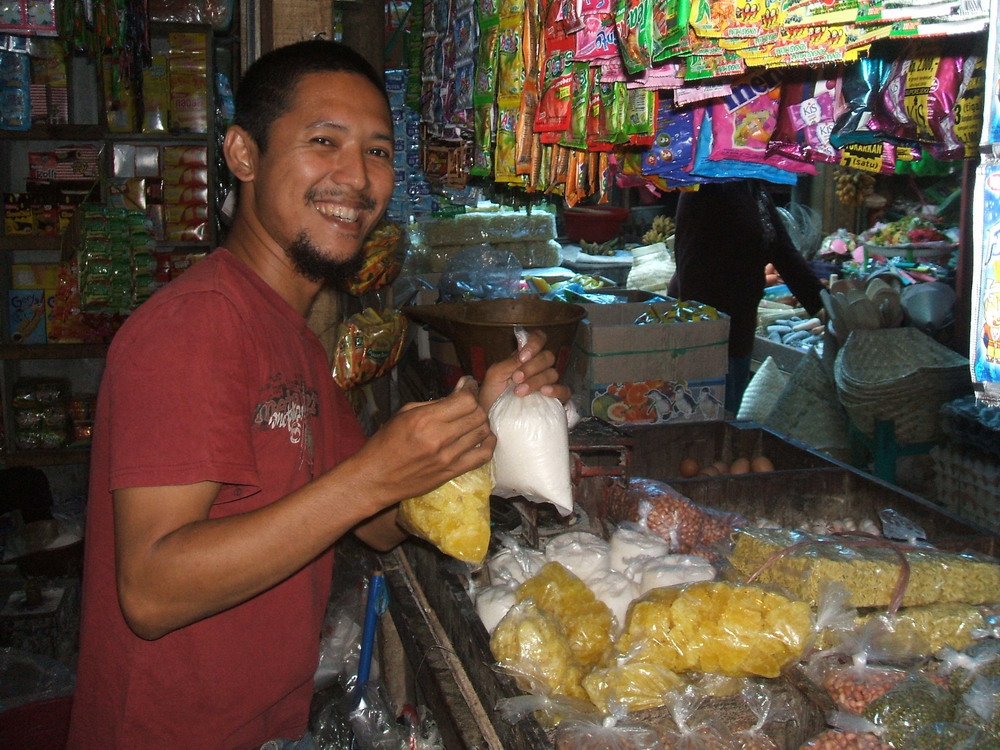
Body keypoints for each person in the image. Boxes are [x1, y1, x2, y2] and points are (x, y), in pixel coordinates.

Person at [67, 39, 569, 750]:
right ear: (244, 156)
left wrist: (478, 420)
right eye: (323, 142)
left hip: (265, 725)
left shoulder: (291, 335)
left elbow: (373, 522)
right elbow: (150, 591)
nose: (357, 178)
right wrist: (372, 476)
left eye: (378, 152)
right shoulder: (194, 327)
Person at [667, 180, 825, 415]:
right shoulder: (706, 185)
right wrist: (701, 337)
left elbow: (781, 249)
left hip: (740, 323)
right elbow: (690, 265)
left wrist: (823, 306)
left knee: (729, 414)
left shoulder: (752, 185)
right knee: (710, 418)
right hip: (709, 330)